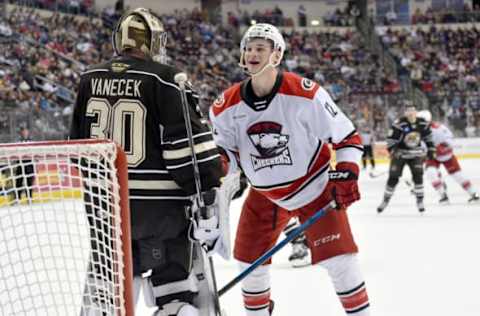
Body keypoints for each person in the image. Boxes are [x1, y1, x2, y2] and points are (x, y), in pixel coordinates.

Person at [70, 8, 224, 316]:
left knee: (113, 285)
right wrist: (209, 192)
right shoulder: (167, 79)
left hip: (108, 208)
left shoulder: (88, 79)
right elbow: (188, 151)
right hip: (161, 211)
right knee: (177, 290)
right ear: (152, 41)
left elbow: (77, 149)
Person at [210, 23, 370, 315]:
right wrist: (218, 167)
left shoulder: (304, 94)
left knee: (341, 262)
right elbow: (229, 155)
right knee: (249, 263)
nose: (252, 53)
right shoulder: (225, 106)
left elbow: (347, 137)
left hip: (315, 188)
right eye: (248, 48)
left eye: (260, 48)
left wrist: (347, 171)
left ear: (277, 54)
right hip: (265, 196)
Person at [377, 104, 435, 213]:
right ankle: (385, 200)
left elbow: (428, 137)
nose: (411, 113)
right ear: (405, 113)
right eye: (408, 111)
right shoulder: (399, 124)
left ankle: (420, 200)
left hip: (415, 154)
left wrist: (431, 149)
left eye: (413, 110)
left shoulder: (422, 123)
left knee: (418, 176)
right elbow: (390, 140)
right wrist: (393, 151)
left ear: (416, 112)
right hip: (401, 155)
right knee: (393, 178)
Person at [416, 110, 479, 203]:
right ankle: (443, 195)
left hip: (446, 155)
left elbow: (450, 141)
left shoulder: (439, 129)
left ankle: (474, 194)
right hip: (432, 156)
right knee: (431, 173)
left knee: (457, 175)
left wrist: (441, 148)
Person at [12, 126, 34, 203]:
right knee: (19, 182)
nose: (24, 132)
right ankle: (17, 199)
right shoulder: (18, 141)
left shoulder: (31, 140)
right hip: (20, 164)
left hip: (29, 164)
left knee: (29, 182)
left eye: (26, 130)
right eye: (23, 131)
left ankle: (29, 198)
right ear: (21, 132)